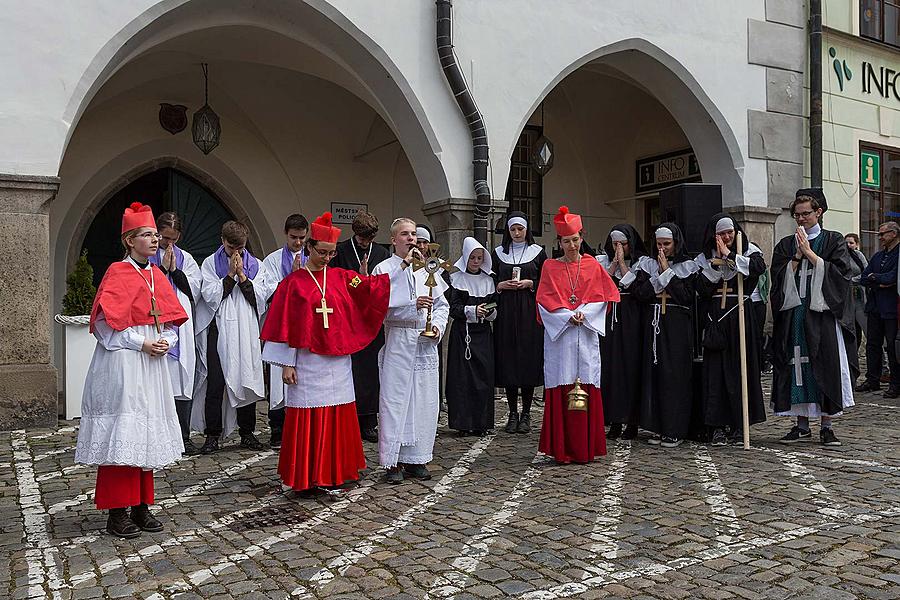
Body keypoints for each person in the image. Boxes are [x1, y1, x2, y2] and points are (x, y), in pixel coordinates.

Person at [75, 202, 188, 538]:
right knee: (123, 434)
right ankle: (117, 513)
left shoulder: (156, 275)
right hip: (124, 364)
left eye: (155, 235)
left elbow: (171, 320)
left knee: (145, 433)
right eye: (147, 235)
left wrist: (166, 338)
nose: (154, 240)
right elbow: (105, 325)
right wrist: (143, 343)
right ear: (129, 240)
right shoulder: (117, 273)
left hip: (151, 366)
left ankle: (141, 506)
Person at [259, 212, 391, 494]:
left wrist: (405, 267)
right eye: (322, 252)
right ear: (308, 247)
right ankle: (306, 477)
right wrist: (286, 364)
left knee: (339, 416)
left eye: (332, 253)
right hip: (307, 361)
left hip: (338, 360)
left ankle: (338, 472)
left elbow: (369, 287)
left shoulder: (343, 277)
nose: (327, 258)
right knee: (309, 418)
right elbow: (283, 324)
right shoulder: (292, 284)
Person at [771, 188, 856, 446]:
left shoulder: (833, 240)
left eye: (805, 214)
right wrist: (797, 255)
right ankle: (801, 425)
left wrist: (811, 254)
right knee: (796, 365)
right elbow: (776, 280)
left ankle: (827, 426)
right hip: (796, 314)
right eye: (796, 215)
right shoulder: (786, 244)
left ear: (819, 212)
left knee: (825, 364)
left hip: (823, 316)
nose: (800, 219)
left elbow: (842, 276)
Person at [537, 206, 619, 463]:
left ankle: (585, 447)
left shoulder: (593, 265)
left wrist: (584, 313)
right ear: (559, 242)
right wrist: (566, 316)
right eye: (566, 241)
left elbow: (604, 297)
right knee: (561, 382)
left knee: (586, 383)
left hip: (585, 334)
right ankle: (562, 449)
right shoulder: (550, 267)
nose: (571, 245)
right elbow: (543, 301)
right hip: (560, 338)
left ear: (581, 237)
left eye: (575, 239)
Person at [372, 218, 449, 484]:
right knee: (396, 403)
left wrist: (437, 328)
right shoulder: (384, 268)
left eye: (414, 234)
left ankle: (417, 458)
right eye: (405, 234)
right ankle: (393, 461)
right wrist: (412, 305)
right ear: (393, 239)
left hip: (425, 345)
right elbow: (378, 306)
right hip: (398, 340)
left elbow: (442, 305)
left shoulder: (428, 267)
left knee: (424, 401)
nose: (411, 238)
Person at [192, 221, 267, 453]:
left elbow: (261, 297)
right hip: (219, 327)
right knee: (216, 382)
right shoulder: (210, 264)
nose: (237, 252)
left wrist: (243, 276)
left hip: (246, 328)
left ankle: (247, 433)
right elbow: (210, 296)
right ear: (223, 240)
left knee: (247, 377)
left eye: (241, 247)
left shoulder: (256, 265)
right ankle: (212, 435)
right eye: (232, 246)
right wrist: (230, 275)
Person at [694, 214, 767, 446]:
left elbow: (758, 268)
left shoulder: (749, 251)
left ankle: (739, 424)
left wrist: (730, 256)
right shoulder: (705, 257)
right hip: (716, 316)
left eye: (729, 233)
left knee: (740, 370)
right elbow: (701, 288)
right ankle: (716, 425)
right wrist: (718, 266)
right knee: (715, 373)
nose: (726, 237)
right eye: (721, 234)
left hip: (741, 315)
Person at [634, 223, 699, 448]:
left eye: (667, 244)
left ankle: (675, 429)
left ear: (676, 243)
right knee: (655, 374)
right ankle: (658, 426)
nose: (662, 249)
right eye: (659, 244)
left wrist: (668, 274)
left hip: (676, 324)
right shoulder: (647, 265)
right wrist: (657, 277)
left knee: (675, 376)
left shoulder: (689, 266)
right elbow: (640, 294)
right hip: (653, 322)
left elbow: (686, 297)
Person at [331, 210, 392, 442]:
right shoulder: (342, 251)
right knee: (352, 372)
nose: (366, 243)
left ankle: (369, 421)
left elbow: (383, 285)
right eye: (363, 239)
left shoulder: (382, 253)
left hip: (372, 320)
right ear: (355, 234)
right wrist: (359, 280)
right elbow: (337, 279)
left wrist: (367, 281)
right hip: (349, 320)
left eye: (370, 239)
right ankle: (351, 420)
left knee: (371, 372)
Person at [148, 211, 203, 455]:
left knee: (184, 379)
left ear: (179, 235)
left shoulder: (187, 259)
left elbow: (196, 289)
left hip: (182, 324)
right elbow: (142, 286)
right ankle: (157, 436)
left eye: (173, 238)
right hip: (156, 322)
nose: (168, 243)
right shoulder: (146, 256)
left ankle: (184, 436)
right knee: (158, 380)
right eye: (164, 237)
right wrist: (161, 269)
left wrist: (175, 271)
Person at [491, 211, 546, 434]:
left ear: (526, 230)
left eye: (520, 229)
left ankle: (526, 414)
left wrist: (530, 283)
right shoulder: (497, 254)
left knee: (527, 360)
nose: (516, 233)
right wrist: (500, 286)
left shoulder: (538, 253)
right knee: (509, 361)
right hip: (505, 313)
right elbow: (489, 280)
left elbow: (546, 281)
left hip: (529, 313)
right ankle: (512, 413)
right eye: (512, 229)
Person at [257, 214, 309, 449]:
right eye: (293, 238)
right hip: (281, 326)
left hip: (305, 327)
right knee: (279, 381)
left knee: (303, 377)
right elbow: (268, 292)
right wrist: (291, 279)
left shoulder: (312, 258)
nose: (298, 243)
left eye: (302, 238)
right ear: (285, 235)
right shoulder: (272, 260)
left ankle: (300, 424)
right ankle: (277, 428)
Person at [596, 224, 649, 440]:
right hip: (609, 320)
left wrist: (624, 268)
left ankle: (632, 421)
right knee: (610, 369)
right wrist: (614, 265)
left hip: (631, 321)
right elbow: (597, 288)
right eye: (615, 244)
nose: (619, 248)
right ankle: (613, 420)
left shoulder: (643, 264)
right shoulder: (602, 262)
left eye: (623, 244)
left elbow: (643, 293)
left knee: (630, 369)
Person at [445, 237, 497, 436]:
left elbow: (494, 305)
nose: (476, 261)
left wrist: (489, 312)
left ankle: (481, 423)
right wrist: (472, 310)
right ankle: (463, 423)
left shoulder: (488, 281)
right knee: (462, 379)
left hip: (483, 334)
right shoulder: (456, 280)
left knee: (483, 377)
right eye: (473, 258)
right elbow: (453, 308)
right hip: (462, 335)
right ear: (465, 258)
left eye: (479, 258)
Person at [857, 222, 900, 398]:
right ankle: (872, 379)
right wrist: (878, 280)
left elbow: (893, 278)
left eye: (883, 234)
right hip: (875, 306)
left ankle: (895, 383)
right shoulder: (878, 256)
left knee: (892, 346)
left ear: (894, 234)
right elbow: (864, 277)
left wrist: (878, 279)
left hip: (891, 308)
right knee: (873, 345)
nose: (880, 237)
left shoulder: (898, 255)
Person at [844, 232, 868, 353]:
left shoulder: (859, 255)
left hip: (859, 296)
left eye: (851, 243)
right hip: (846, 298)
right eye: (846, 242)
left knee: (867, 328)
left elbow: (866, 271)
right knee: (850, 329)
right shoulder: (841, 256)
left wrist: (852, 280)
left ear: (857, 244)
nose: (848, 245)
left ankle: (883, 364)